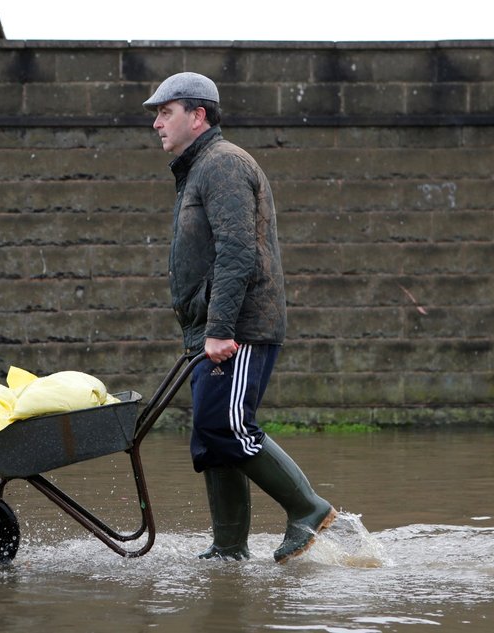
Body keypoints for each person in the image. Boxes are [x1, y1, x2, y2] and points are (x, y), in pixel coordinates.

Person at [143, 72, 337, 563]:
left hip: (238, 328)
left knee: (227, 427)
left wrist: (220, 329)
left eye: (165, 112)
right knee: (211, 439)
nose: (157, 124)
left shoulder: (224, 164)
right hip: (209, 330)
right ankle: (228, 549)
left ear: (198, 115)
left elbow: (236, 254)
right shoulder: (198, 168)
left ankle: (307, 508)